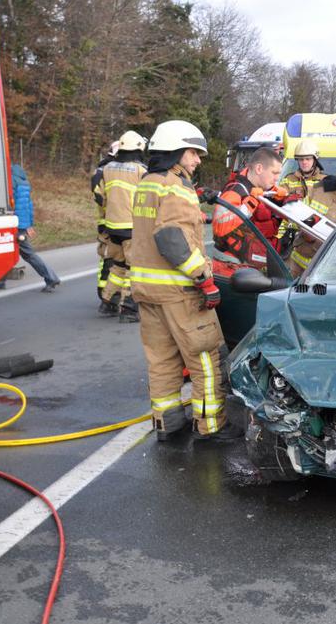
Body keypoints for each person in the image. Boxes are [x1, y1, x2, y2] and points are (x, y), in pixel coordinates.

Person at [128, 120, 238, 442]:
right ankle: (212, 427)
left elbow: (158, 224)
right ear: (176, 152)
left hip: (148, 291)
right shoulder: (176, 187)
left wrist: (196, 203)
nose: (198, 160)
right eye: (194, 153)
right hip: (180, 291)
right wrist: (204, 279)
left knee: (162, 360)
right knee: (206, 359)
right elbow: (171, 237)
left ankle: (168, 424)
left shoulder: (148, 183)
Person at [212, 147, 286, 278]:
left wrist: (280, 199)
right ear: (259, 169)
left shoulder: (259, 188)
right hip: (229, 267)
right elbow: (220, 228)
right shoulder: (235, 191)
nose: (277, 178)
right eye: (274, 173)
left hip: (247, 267)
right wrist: (250, 203)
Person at [98, 131, 148, 321]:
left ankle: (108, 302)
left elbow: (101, 197)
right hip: (132, 227)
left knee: (118, 265)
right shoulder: (141, 171)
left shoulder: (107, 168)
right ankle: (128, 308)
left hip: (112, 226)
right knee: (134, 267)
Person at [0, 164, 60, 292]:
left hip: (13, 224)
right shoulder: (24, 182)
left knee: (27, 254)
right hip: (22, 224)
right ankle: (0, 281)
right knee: (6, 252)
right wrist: (29, 224)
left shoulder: (10, 181)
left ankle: (51, 278)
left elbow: (8, 203)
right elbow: (29, 206)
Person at [91, 140, 119, 300]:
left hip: (108, 220)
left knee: (109, 258)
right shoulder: (105, 171)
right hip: (111, 221)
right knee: (111, 259)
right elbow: (99, 197)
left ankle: (107, 294)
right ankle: (107, 296)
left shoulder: (102, 170)